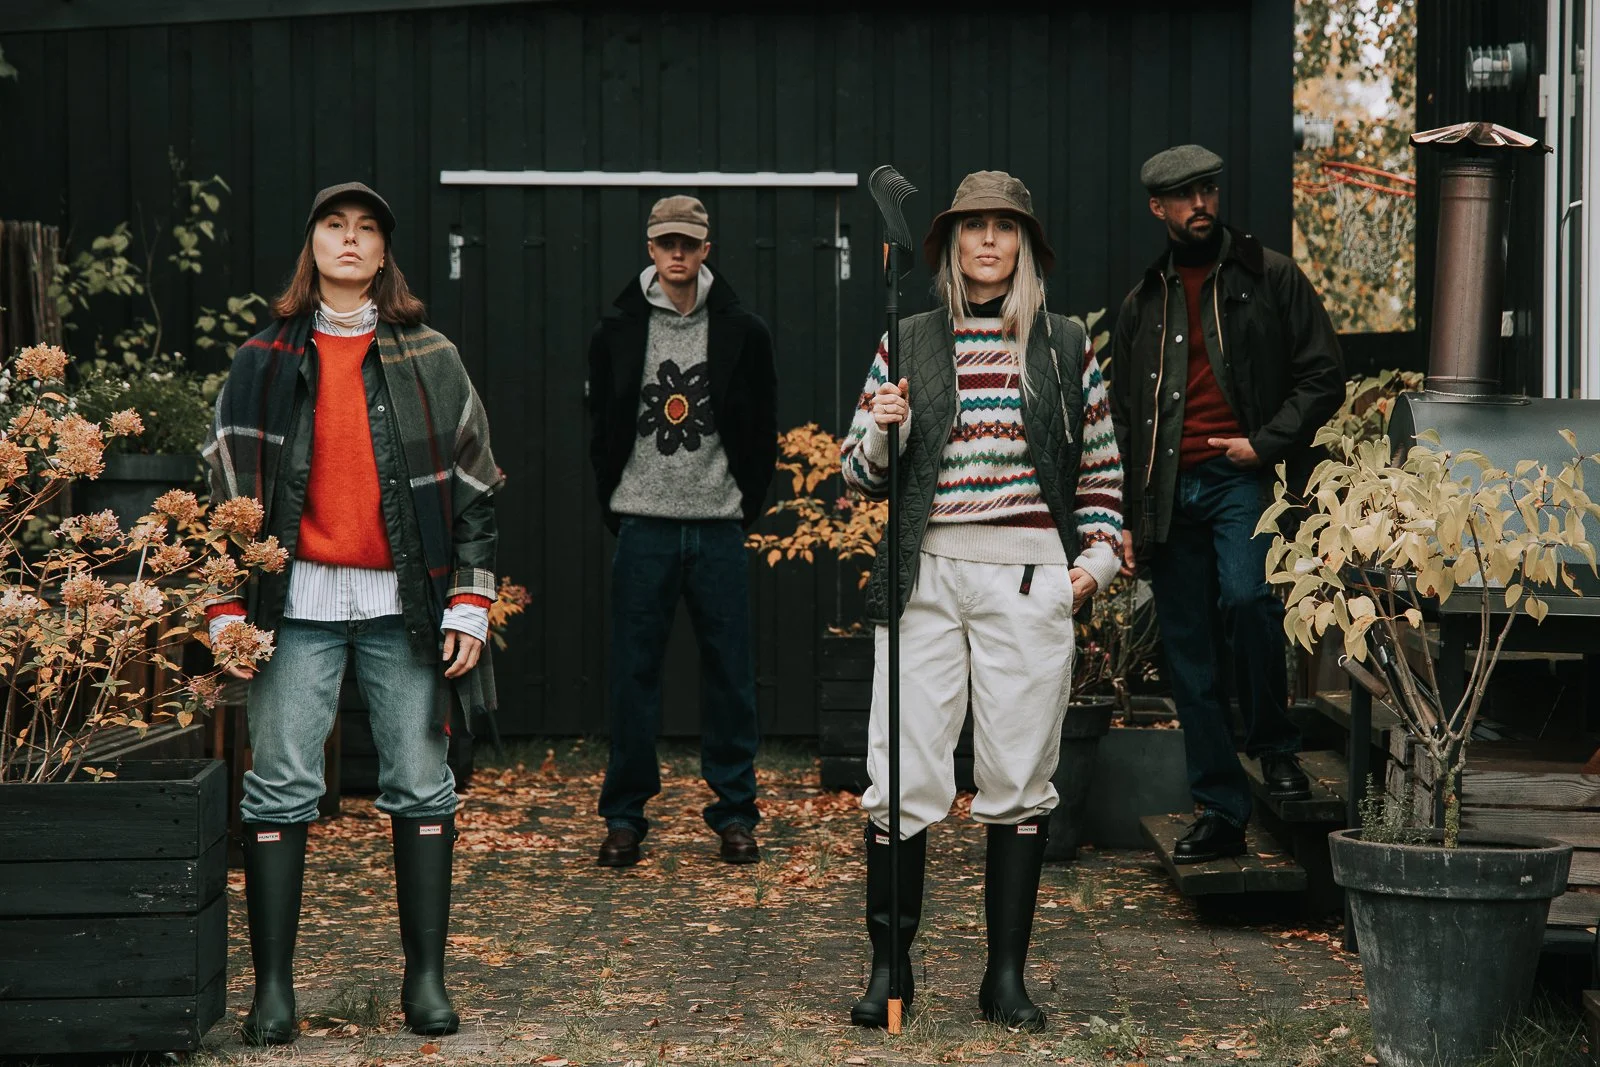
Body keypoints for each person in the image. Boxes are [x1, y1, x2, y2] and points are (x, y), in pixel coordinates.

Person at [203, 182, 501, 1044]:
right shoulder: (261, 358)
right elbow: (220, 487)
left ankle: (426, 984)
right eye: (335, 225)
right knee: (281, 784)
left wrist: (472, 598)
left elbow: (478, 486)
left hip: (404, 604)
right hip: (291, 606)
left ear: (383, 255)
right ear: (313, 246)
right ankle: (274, 993)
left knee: (419, 781)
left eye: (367, 229)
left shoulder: (430, 356)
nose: (350, 239)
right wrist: (226, 604)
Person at [840, 171, 1123, 1032]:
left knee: (1018, 775)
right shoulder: (909, 340)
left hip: (1031, 577)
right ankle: (892, 973)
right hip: (925, 576)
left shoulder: (1065, 344)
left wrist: (1095, 566)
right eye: (974, 228)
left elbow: (1103, 474)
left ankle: (1005, 978)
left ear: (1027, 247)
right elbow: (858, 474)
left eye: (1005, 228)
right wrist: (883, 429)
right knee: (902, 773)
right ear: (951, 245)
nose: (989, 241)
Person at [1107, 145, 1344, 863]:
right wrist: (1119, 511)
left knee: (1247, 600)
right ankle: (1219, 809)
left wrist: (1263, 445)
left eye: (1207, 189)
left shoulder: (1270, 276)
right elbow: (1120, 418)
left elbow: (1323, 375)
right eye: (1183, 195)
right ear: (1159, 207)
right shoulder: (1142, 302)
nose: (1200, 203)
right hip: (1165, 492)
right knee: (1188, 653)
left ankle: (1274, 749)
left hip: (1240, 477)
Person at [587, 195, 777, 869]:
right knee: (632, 676)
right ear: (649, 246)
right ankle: (624, 817)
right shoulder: (617, 327)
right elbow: (600, 428)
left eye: (688, 244)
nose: (677, 254)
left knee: (731, 676)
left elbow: (761, 435)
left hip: (718, 526)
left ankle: (735, 814)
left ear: (706, 249)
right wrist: (619, 502)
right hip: (643, 526)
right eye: (666, 242)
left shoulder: (742, 330)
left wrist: (736, 503)